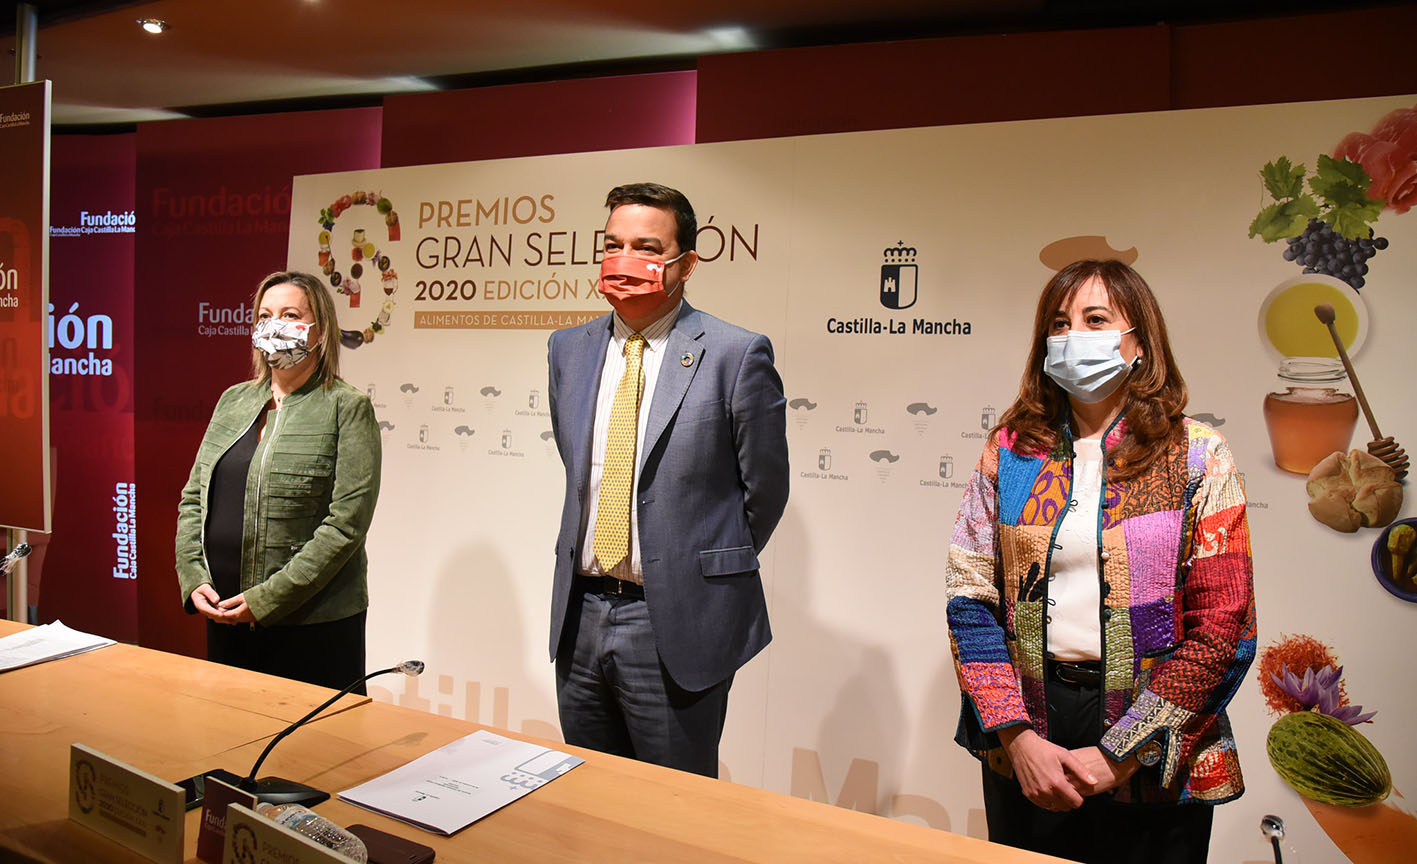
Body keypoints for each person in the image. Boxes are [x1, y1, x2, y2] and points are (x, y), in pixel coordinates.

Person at [944, 259, 1255, 863]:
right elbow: (970, 594)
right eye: (1060, 324)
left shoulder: (1195, 453)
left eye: (1095, 319)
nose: (1074, 337)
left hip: (1156, 727)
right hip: (1031, 722)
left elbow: (1225, 623)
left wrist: (1124, 750)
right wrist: (1015, 734)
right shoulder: (1012, 450)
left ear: (1139, 341)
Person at [546, 182, 789, 776]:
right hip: (581, 613)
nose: (624, 261)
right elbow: (578, 468)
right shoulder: (567, 349)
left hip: (674, 621)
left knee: (673, 812)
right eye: (613, 245)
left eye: (645, 247)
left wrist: (690, 564)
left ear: (685, 263)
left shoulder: (735, 354)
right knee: (590, 799)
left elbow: (765, 491)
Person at [176, 271, 381, 693]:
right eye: (265, 315)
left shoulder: (348, 407)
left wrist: (265, 600)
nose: (275, 325)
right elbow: (194, 498)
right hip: (226, 613)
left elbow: (346, 525)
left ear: (319, 331)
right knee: (231, 740)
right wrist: (194, 578)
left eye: (289, 315)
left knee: (314, 752)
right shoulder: (234, 400)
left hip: (312, 627)